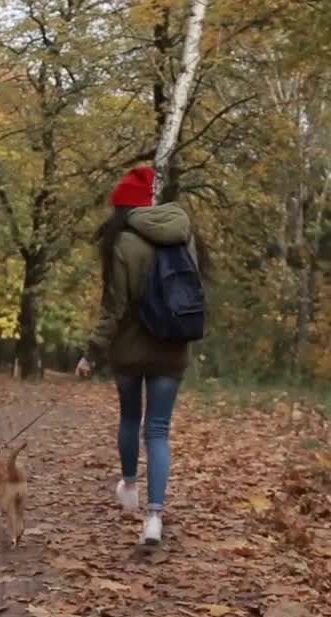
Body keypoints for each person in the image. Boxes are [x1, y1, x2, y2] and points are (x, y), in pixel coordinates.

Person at [76, 166, 201, 546]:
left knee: (131, 418)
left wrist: (91, 354)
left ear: (123, 209)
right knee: (159, 430)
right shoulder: (183, 236)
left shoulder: (123, 243)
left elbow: (114, 308)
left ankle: (129, 486)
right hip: (172, 347)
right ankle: (154, 517)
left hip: (129, 351)